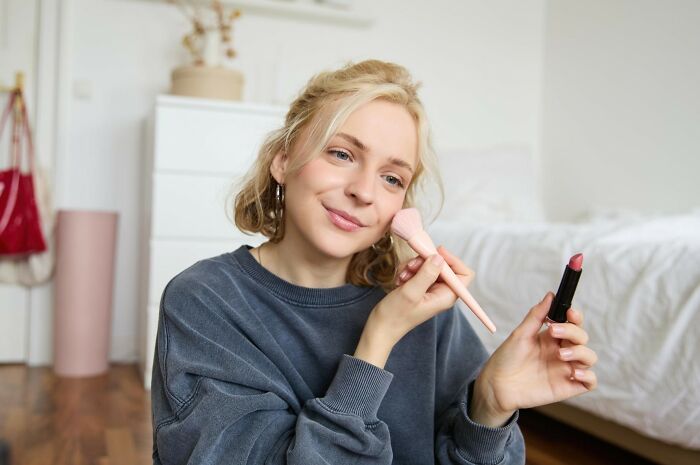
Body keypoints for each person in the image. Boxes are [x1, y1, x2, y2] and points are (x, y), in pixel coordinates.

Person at [150, 59, 598, 465]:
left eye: (391, 178)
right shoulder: (205, 301)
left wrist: (490, 406)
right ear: (283, 160)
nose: (364, 192)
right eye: (342, 154)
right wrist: (378, 339)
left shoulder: (427, 316)